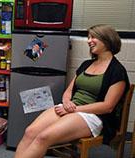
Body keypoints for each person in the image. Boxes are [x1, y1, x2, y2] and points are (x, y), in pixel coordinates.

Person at [15, 24, 129, 158]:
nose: (89, 41)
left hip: (92, 116)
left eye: (93, 37)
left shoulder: (117, 71)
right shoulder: (86, 64)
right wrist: (66, 101)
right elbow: (69, 91)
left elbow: (107, 107)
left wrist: (73, 109)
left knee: (43, 137)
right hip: (70, 107)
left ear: (107, 40)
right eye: (88, 37)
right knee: (30, 132)